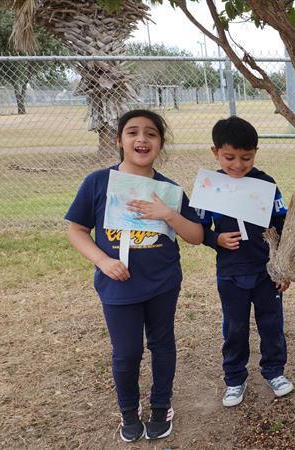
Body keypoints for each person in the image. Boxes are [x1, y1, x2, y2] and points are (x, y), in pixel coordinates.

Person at [66, 109, 203, 442]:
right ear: (119, 140)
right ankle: (128, 412)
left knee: (162, 344)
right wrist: (102, 261)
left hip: (162, 282)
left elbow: (196, 236)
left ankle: (160, 406)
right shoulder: (98, 182)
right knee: (126, 352)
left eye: (151, 134)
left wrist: (168, 214)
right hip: (118, 284)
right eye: (133, 132)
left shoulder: (169, 189)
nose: (142, 139)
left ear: (160, 143)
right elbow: (77, 229)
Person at [199, 116, 292, 408]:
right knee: (235, 327)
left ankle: (274, 372)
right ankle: (235, 379)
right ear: (215, 152)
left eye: (246, 158)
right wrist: (215, 239)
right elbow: (198, 227)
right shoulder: (210, 187)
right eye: (229, 158)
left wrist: (282, 266)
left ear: (255, 153)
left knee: (272, 323)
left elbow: (284, 223)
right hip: (230, 273)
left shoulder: (266, 184)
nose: (237, 165)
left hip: (266, 272)